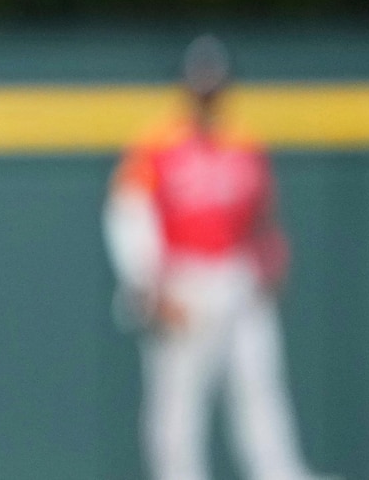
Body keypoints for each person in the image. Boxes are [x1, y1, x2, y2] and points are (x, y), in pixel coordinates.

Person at [104, 35, 333, 480]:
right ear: (187, 90)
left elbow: (263, 217)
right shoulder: (158, 146)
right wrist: (149, 286)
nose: (208, 96)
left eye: (215, 87)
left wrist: (269, 256)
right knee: (177, 410)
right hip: (184, 283)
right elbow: (126, 216)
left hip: (238, 280)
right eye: (200, 87)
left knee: (260, 393)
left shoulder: (244, 145)